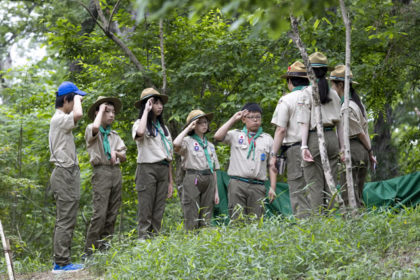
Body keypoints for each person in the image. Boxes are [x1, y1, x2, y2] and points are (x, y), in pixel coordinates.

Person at [297, 52, 344, 214]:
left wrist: (304, 146)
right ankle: (332, 218)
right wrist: (342, 148)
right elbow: (340, 124)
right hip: (332, 138)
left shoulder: (306, 93)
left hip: (314, 138)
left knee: (314, 182)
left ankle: (318, 221)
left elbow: (304, 123)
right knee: (330, 181)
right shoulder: (334, 94)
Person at [49, 81, 86, 273]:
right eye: (75, 99)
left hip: (67, 172)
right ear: (66, 99)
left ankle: (63, 261)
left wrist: (77, 98)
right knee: (65, 219)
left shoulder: (61, 119)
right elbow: (78, 114)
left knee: (68, 218)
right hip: (64, 173)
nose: (77, 103)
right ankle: (61, 263)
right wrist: (78, 98)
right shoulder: (59, 118)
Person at [214, 103, 275, 221]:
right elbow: (217, 136)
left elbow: (272, 164)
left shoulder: (267, 139)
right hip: (237, 184)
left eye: (258, 117)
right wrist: (233, 119)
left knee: (257, 221)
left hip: (258, 186)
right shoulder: (235, 135)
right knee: (237, 219)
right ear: (243, 119)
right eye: (251, 117)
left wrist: (272, 187)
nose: (255, 120)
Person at [84, 96, 127, 255]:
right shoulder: (92, 129)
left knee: (112, 214)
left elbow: (124, 155)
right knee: (100, 214)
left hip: (115, 172)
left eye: (113, 112)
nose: (111, 115)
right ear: (98, 112)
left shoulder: (114, 135)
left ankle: (104, 251)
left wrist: (117, 153)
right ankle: (89, 253)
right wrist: (100, 109)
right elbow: (94, 129)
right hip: (101, 171)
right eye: (106, 111)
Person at [329, 65, 377, 208]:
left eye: (333, 85)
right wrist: (369, 152)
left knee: (349, 193)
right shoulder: (357, 103)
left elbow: (361, 133)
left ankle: (353, 225)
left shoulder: (346, 108)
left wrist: (369, 151)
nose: (332, 89)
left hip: (354, 148)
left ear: (340, 85)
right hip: (362, 150)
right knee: (357, 193)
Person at [270, 61, 311, 218]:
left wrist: (273, 155)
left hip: (296, 148)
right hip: (316, 146)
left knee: (298, 188)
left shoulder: (287, 99)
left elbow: (281, 129)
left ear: (290, 82)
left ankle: (305, 227)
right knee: (316, 187)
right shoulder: (315, 96)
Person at [132, 88, 173, 239]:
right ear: (147, 105)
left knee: (158, 210)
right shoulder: (139, 123)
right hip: (147, 169)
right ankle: (143, 242)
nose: (159, 106)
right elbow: (140, 133)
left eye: (160, 102)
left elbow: (169, 156)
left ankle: (155, 241)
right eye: (154, 103)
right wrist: (145, 112)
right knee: (146, 209)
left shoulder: (164, 128)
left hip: (163, 169)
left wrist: (170, 181)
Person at [173, 109, 220, 230]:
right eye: (200, 123)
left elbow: (214, 169)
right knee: (191, 213)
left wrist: (216, 192)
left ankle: (203, 242)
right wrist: (188, 129)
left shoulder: (210, 145)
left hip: (209, 178)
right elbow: (176, 144)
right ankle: (190, 241)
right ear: (193, 125)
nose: (204, 125)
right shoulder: (187, 141)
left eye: (205, 122)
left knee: (206, 214)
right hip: (193, 177)